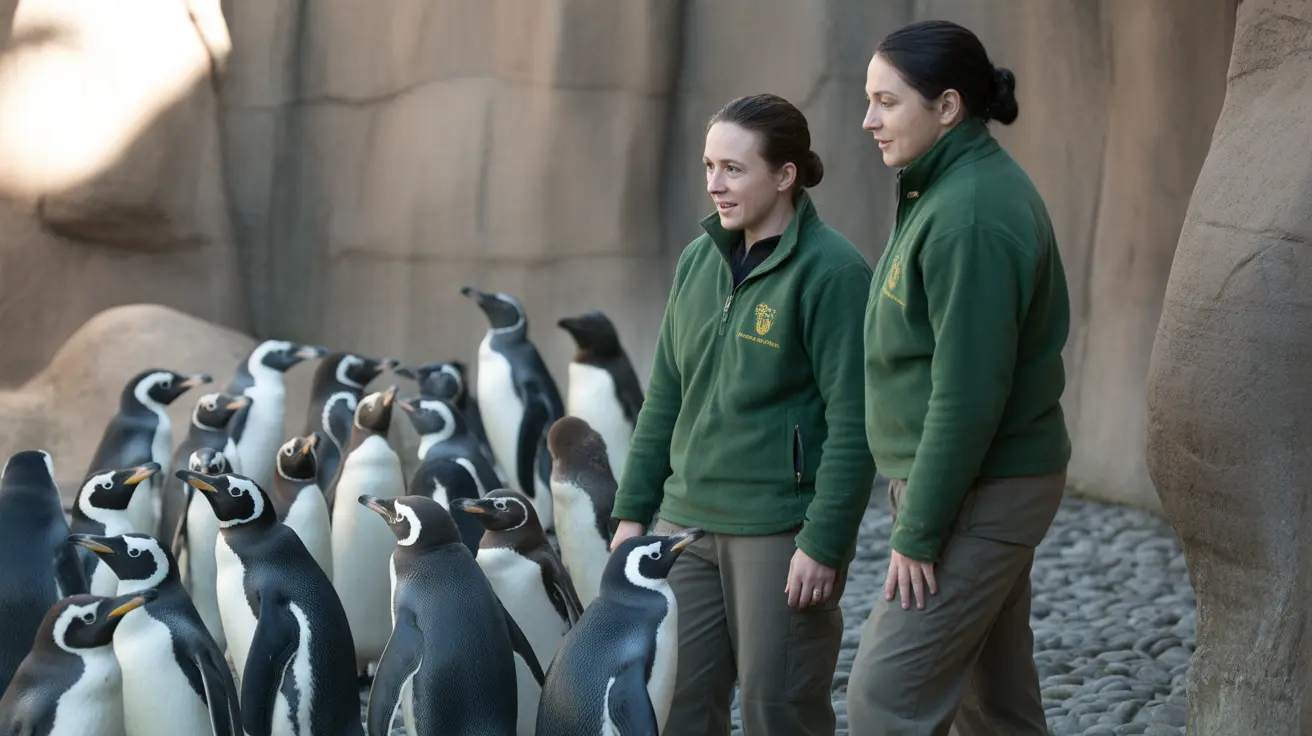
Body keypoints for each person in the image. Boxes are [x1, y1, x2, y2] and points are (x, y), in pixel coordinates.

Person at [608, 93, 876, 735]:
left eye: (733, 169)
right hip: (683, 526)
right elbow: (666, 395)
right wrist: (630, 512)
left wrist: (825, 542)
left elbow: (856, 424)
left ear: (784, 175)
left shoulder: (834, 272)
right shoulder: (696, 261)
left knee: (777, 712)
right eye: (708, 166)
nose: (715, 185)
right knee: (675, 710)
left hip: (777, 534)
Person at [845, 19, 1073, 736]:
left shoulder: (969, 214)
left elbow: (969, 395)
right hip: (976, 484)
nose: (868, 119)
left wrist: (919, 532)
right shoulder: (939, 191)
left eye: (887, 102)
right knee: (995, 704)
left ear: (947, 108)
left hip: (982, 488)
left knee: (886, 699)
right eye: (868, 99)